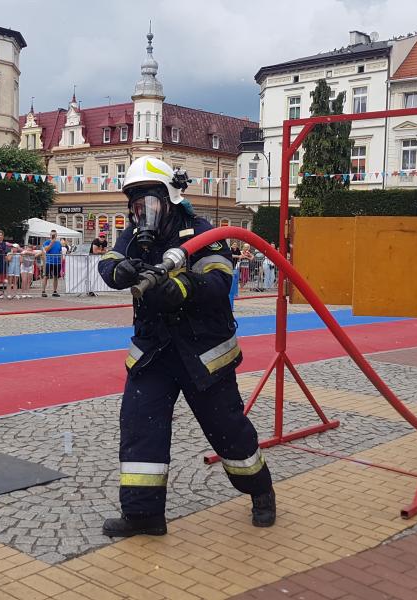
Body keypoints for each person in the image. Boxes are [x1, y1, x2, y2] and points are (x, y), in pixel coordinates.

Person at [97, 156, 275, 537]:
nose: (142, 211)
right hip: (155, 353)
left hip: (203, 356)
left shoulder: (201, 231)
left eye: (150, 200)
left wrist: (179, 288)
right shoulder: (132, 235)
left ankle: (260, 490)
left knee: (228, 431)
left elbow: (218, 279)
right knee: (140, 428)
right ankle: (143, 516)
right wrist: (119, 271)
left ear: (170, 197)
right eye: (136, 202)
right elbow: (109, 262)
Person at [41, 230, 63, 297]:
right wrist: (51, 243)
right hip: (49, 261)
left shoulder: (59, 243)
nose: (53, 236)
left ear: (56, 235)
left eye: (54, 235)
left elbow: (60, 252)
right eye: (52, 235)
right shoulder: (46, 242)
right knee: (46, 276)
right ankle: (43, 291)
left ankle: (55, 291)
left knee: (56, 277)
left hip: (57, 262)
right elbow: (46, 250)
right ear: (50, 235)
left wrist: (61, 261)